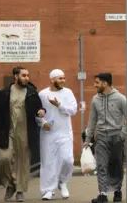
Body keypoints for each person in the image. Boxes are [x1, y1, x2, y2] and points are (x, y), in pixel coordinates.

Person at [0, 66, 46, 202]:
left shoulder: (31, 92)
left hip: (25, 131)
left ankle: (20, 190)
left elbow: (38, 107)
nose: (27, 78)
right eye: (24, 75)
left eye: (28, 75)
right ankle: (10, 184)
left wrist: (41, 111)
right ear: (15, 77)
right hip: (8, 130)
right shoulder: (5, 92)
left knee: (22, 162)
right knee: (3, 158)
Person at [84, 73, 127, 203]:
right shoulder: (95, 99)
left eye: (97, 82)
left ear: (105, 83)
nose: (94, 85)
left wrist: (122, 134)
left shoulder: (121, 98)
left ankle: (117, 191)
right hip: (102, 136)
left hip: (116, 137)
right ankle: (102, 194)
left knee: (116, 165)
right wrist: (87, 139)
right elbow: (92, 120)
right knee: (101, 165)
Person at [37, 69, 78, 200]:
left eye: (64, 78)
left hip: (65, 132)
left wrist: (59, 105)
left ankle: (62, 182)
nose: (63, 81)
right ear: (52, 79)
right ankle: (48, 190)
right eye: (60, 78)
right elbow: (36, 113)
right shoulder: (42, 94)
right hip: (48, 134)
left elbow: (73, 110)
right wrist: (43, 123)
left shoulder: (68, 92)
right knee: (48, 162)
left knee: (68, 160)